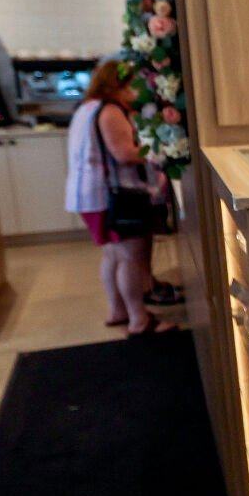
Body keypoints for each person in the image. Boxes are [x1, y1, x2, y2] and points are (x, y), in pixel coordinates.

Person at [64, 57, 172, 337]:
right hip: (111, 195)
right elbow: (124, 154)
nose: (137, 92)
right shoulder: (110, 111)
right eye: (134, 85)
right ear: (120, 85)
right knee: (130, 256)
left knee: (112, 255)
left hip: (88, 195)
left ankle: (118, 311)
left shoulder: (86, 108)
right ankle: (139, 319)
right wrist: (158, 152)